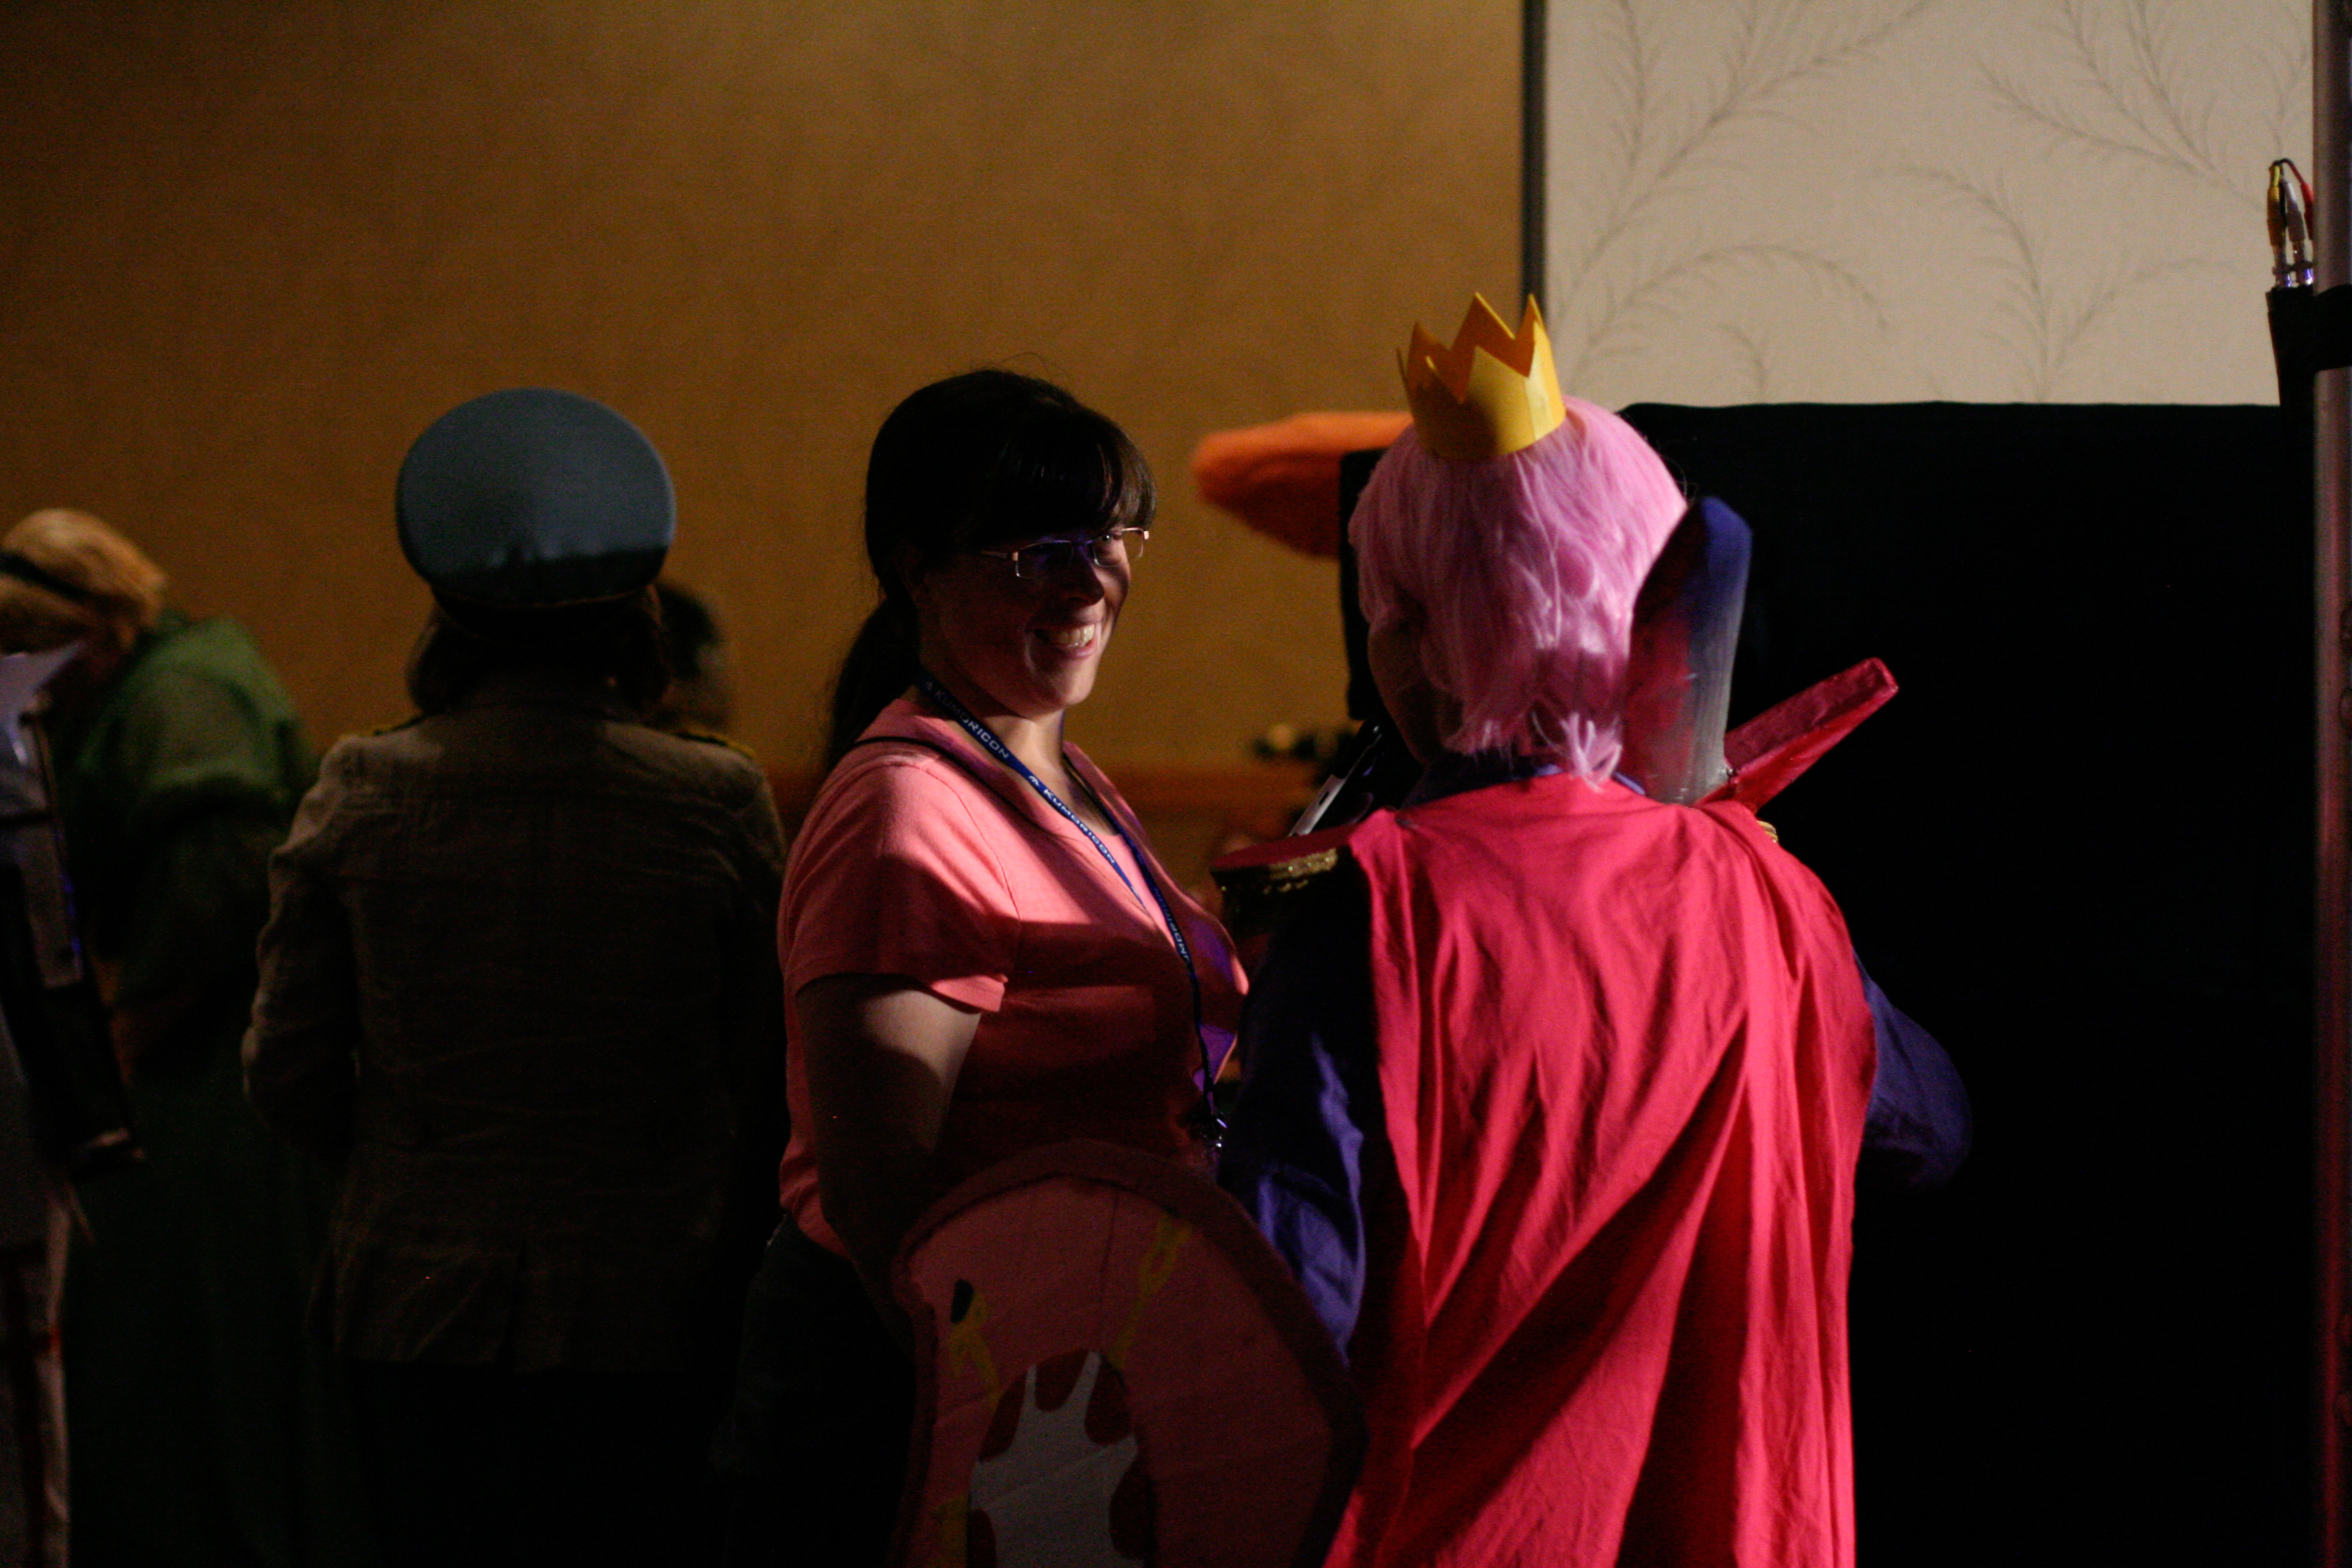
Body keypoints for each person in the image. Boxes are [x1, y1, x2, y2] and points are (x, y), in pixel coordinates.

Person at [1217, 297, 1965, 1567]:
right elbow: (1932, 1132)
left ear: (1419, 636)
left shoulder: (1373, 913)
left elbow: (1285, 1314)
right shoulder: (1771, 895)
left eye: (1387, 608)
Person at [242, 389, 787, 1566]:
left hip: (411, 1296)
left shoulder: (363, 787)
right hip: (655, 1301)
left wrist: (417, 1163)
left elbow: (287, 1072)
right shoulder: (715, 801)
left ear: (449, 613)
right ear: (635, 613)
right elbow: (769, 1079)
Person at [715, 369, 1245, 1566]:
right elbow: (880, 1196)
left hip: (1051, 1357)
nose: (1088, 582)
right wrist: (999, 1419)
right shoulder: (908, 808)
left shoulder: (1050, 769)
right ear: (919, 572)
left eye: (1110, 538)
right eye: (1035, 553)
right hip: (920, 1389)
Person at [0, 508, 367, 1565]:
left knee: (189, 1336)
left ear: (88, 632)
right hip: (198, 1057)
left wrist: (117, 1044)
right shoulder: (156, 681)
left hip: (218, 1076)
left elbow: (218, 890)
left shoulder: (184, 694)